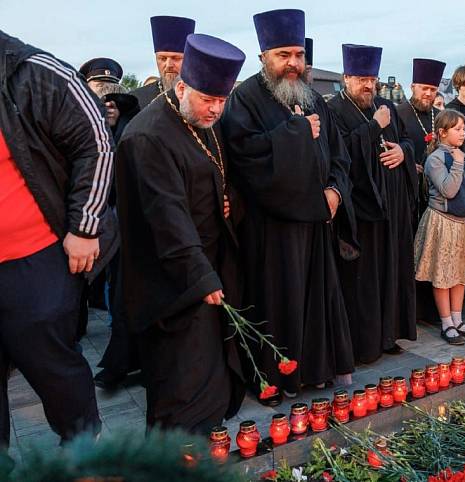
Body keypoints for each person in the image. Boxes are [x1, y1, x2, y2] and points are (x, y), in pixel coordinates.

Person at [221, 9, 355, 402]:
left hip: (317, 222)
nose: (293, 63)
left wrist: (334, 191)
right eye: (283, 54)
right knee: (277, 304)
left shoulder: (314, 98)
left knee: (315, 301)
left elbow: (339, 155)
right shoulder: (244, 99)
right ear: (264, 56)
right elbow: (246, 161)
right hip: (271, 230)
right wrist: (295, 133)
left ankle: (315, 371)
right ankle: (275, 379)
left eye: (298, 54)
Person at [115, 33, 246, 433]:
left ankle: (203, 445)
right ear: (183, 87)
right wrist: (201, 277)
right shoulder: (148, 135)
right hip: (171, 282)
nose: (216, 110)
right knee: (180, 380)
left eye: (222, 101)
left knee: (209, 373)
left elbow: (216, 173)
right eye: (209, 99)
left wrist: (226, 200)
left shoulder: (199, 119)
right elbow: (165, 215)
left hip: (203, 266)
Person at [0, 29, 112, 446]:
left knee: (53, 365)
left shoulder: (33, 72)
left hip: (33, 256)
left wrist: (84, 226)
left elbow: (97, 141)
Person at [326, 44, 417, 363]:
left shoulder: (383, 105)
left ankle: (388, 334)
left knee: (390, 271)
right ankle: (363, 344)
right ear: (346, 77)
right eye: (361, 78)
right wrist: (373, 127)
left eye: (372, 78)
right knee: (362, 279)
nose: (368, 85)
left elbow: (407, 140)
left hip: (391, 207)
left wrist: (403, 152)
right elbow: (338, 153)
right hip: (359, 211)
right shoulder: (334, 110)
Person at [78, 57, 141, 391]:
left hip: (128, 226)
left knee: (123, 296)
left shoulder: (133, 125)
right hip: (92, 224)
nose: (108, 105)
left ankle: (125, 362)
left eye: (112, 98)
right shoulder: (77, 125)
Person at [415, 109, 465, 344]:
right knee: (444, 274)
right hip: (444, 223)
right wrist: (456, 164)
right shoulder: (435, 159)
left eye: (464, 128)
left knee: (460, 273)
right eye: (457, 129)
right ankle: (446, 323)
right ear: (443, 133)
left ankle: (458, 318)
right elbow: (448, 190)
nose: (462, 133)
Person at [396, 58, 446, 325]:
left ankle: (432, 310)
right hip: (408, 194)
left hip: (435, 197)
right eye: (423, 88)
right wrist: (408, 164)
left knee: (434, 251)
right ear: (412, 86)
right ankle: (411, 310)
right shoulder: (399, 113)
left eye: (432, 89)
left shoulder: (440, 118)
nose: (428, 94)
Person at [130, 16, 195, 109]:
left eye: (176, 58)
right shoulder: (136, 99)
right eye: (163, 58)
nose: (168, 65)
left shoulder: (203, 98)